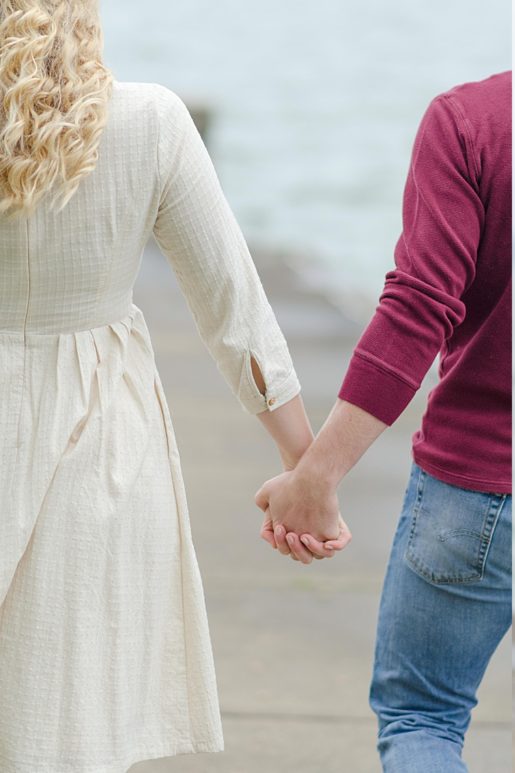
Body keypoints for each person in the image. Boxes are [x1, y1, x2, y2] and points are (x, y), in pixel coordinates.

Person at [0, 1, 326, 769]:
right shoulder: (151, 122)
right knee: (68, 715)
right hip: (99, 441)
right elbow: (232, 306)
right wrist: (308, 470)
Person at [256, 71, 511, 772]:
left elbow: (420, 305)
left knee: (422, 719)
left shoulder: (472, 120)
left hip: (477, 482)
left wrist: (317, 476)